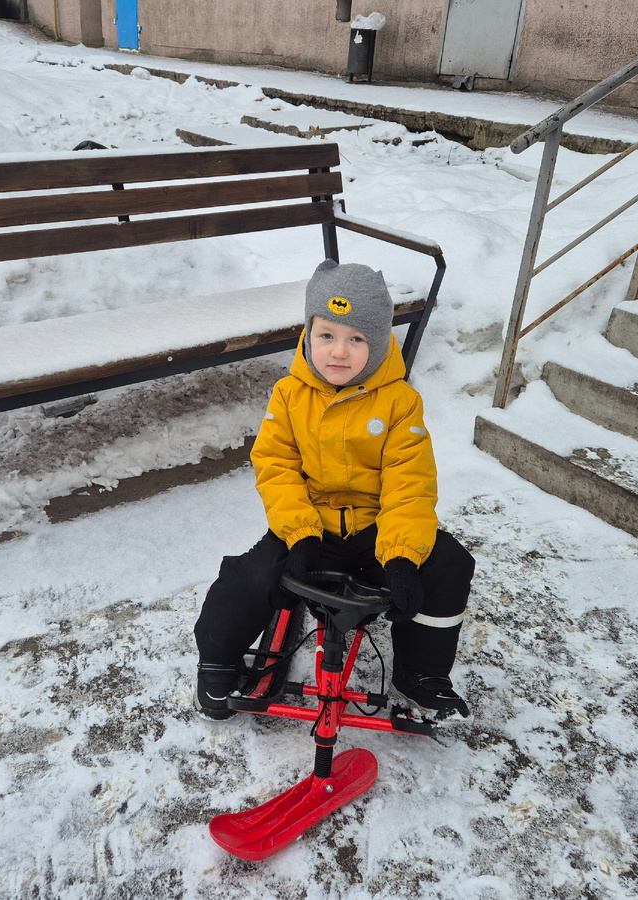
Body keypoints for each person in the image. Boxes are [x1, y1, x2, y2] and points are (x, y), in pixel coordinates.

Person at [192, 259, 476, 722]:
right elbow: (276, 466)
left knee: (449, 565)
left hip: (374, 530)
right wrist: (300, 533)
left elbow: (410, 482)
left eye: (357, 339)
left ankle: (421, 673)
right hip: (311, 527)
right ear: (309, 333)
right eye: (327, 335)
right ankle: (217, 661)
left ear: (381, 343)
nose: (339, 353)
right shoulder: (288, 395)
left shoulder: (401, 402)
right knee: (246, 579)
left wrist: (402, 556)